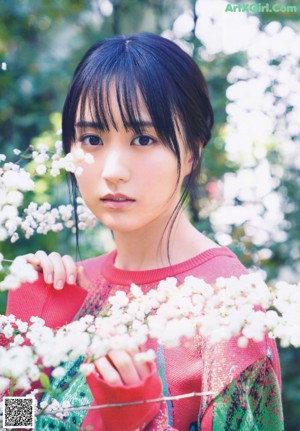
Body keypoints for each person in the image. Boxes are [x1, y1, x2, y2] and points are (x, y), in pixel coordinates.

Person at [5, 32, 283, 430]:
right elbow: (12, 426)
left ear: (192, 151)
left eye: (142, 138)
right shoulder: (70, 285)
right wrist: (27, 335)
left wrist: (137, 420)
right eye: (92, 139)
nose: (112, 170)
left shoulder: (229, 308)